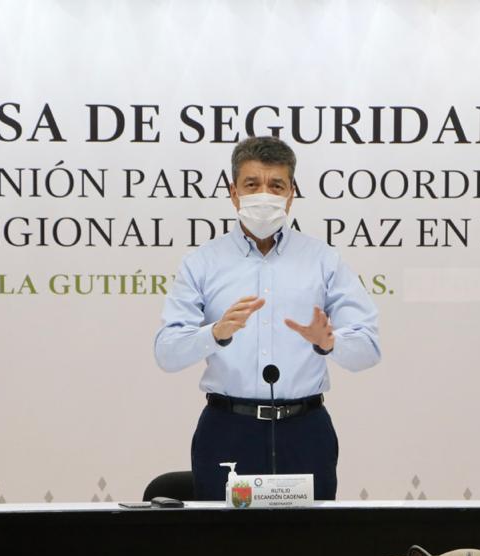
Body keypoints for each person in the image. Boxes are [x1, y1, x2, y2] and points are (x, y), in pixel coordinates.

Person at [154, 136, 380, 501]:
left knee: (312, 537)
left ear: (291, 194)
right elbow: (167, 352)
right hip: (227, 429)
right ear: (234, 193)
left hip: (305, 431)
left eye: (276, 185)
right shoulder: (202, 263)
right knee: (221, 535)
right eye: (252, 184)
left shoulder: (323, 261)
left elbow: (368, 349)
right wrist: (215, 333)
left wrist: (329, 343)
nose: (264, 195)